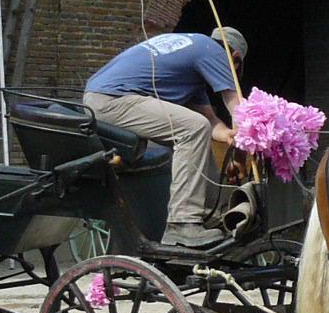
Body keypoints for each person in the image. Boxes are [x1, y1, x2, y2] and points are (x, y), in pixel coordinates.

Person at [84, 26, 247, 248]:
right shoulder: (214, 51)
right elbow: (238, 108)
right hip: (113, 98)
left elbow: (209, 120)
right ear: (235, 58)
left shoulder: (192, 58)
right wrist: (241, 153)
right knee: (192, 128)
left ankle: (211, 215)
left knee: (196, 129)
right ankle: (182, 223)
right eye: (234, 70)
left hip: (103, 97)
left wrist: (228, 134)